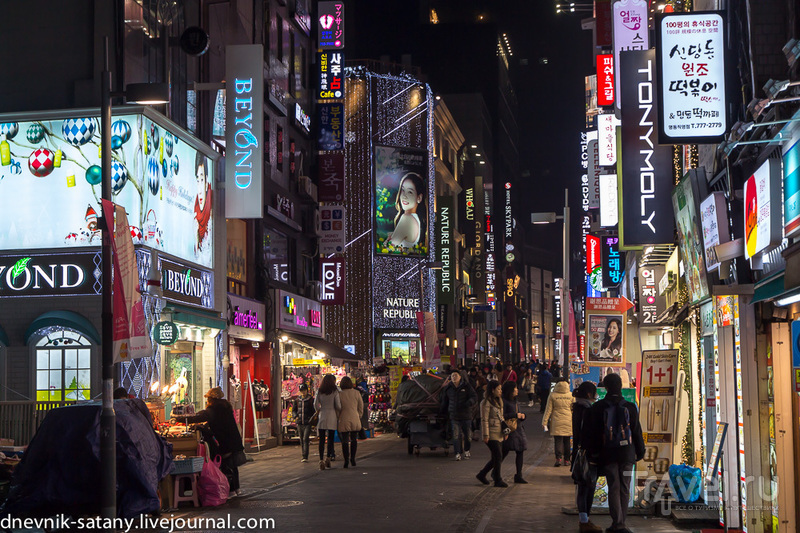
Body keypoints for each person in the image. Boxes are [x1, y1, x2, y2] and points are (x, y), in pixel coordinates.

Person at [584, 374, 645, 533]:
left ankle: (617, 523)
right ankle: (621, 523)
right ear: (620, 386)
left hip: (608, 454)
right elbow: (636, 431)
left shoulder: (598, 407)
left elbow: (593, 433)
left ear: (606, 387)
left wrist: (593, 453)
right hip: (627, 454)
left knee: (614, 486)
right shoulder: (630, 407)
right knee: (625, 487)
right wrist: (640, 451)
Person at [183, 387, 245, 497]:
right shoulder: (226, 407)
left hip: (225, 441)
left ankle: (230, 490)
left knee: (226, 465)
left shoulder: (213, 409)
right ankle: (237, 489)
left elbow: (200, 417)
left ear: (211, 399)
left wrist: (182, 418)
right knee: (232, 465)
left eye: (207, 399)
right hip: (233, 439)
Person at [572, 381, 602, 533]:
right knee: (588, 487)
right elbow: (590, 434)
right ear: (590, 394)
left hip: (578, 453)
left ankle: (584, 520)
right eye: (595, 393)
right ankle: (585, 522)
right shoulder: (588, 410)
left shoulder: (577, 407)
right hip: (588, 454)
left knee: (582, 486)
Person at [475, 381, 508, 487]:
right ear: (492, 390)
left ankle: (482, 474)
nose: (500, 391)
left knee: (496, 457)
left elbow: (501, 417)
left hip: (499, 432)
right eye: (498, 389)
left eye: (501, 389)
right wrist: (485, 435)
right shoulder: (485, 402)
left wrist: (505, 430)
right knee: (498, 456)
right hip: (491, 433)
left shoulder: (499, 401)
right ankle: (497, 479)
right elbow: (484, 419)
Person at [441, 369, 478, 461]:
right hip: (454, 415)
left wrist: (469, 402)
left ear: (460, 377)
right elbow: (445, 402)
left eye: (456, 375)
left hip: (466, 415)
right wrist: (442, 411)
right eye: (452, 375)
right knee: (456, 435)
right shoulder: (448, 388)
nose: (454, 377)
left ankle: (466, 450)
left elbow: (474, 396)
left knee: (468, 435)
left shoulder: (466, 386)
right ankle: (457, 453)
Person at [388, 172, 426, 249]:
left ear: (419, 198)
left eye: (410, 192)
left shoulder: (407, 218)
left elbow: (388, 248)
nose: (404, 196)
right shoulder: (415, 218)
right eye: (403, 190)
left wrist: (387, 241)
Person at [500, 381, 528, 483]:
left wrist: (523, 416)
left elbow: (518, 414)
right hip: (509, 430)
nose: (517, 390)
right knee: (503, 452)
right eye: (515, 388)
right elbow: (502, 416)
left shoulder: (515, 400)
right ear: (510, 391)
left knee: (520, 451)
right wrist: (515, 415)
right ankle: (493, 472)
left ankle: (518, 475)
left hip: (518, 429)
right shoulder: (504, 401)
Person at [542, 378, 574, 467]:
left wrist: (544, 422)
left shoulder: (552, 395)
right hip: (568, 420)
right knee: (567, 441)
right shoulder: (571, 395)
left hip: (556, 421)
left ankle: (558, 459)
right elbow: (573, 409)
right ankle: (567, 460)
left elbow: (548, 410)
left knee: (558, 441)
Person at [314, 374, 341, 470]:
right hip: (332, 415)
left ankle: (321, 459)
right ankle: (328, 458)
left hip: (322, 415)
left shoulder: (320, 391)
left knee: (321, 440)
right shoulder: (335, 391)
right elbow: (338, 405)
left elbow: (316, 404)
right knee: (330, 439)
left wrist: (319, 410)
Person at [337, 376, 364, 468]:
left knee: (344, 441)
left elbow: (337, 408)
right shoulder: (356, 393)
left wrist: (338, 417)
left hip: (343, 418)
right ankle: (353, 458)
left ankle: (346, 460)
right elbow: (361, 406)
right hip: (354, 418)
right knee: (354, 439)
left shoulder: (339, 394)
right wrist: (358, 415)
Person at [193, 153, 212, 252]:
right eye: (197, 180)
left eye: (201, 180)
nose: (199, 190)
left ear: (206, 182)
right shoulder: (195, 211)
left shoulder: (213, 205)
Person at [293, 384, 315, 463]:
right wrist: (295, 416)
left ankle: (305, 455)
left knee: (305, 438)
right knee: (301, 439)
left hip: (307, 422)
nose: (303, 392)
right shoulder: (297, 400)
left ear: (307, 390)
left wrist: (311, 420)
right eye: (302, 390)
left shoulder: (310, 400)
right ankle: (303, 455)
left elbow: (313, 411)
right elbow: (294, 410)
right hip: (299, 423)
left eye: (304, 390)